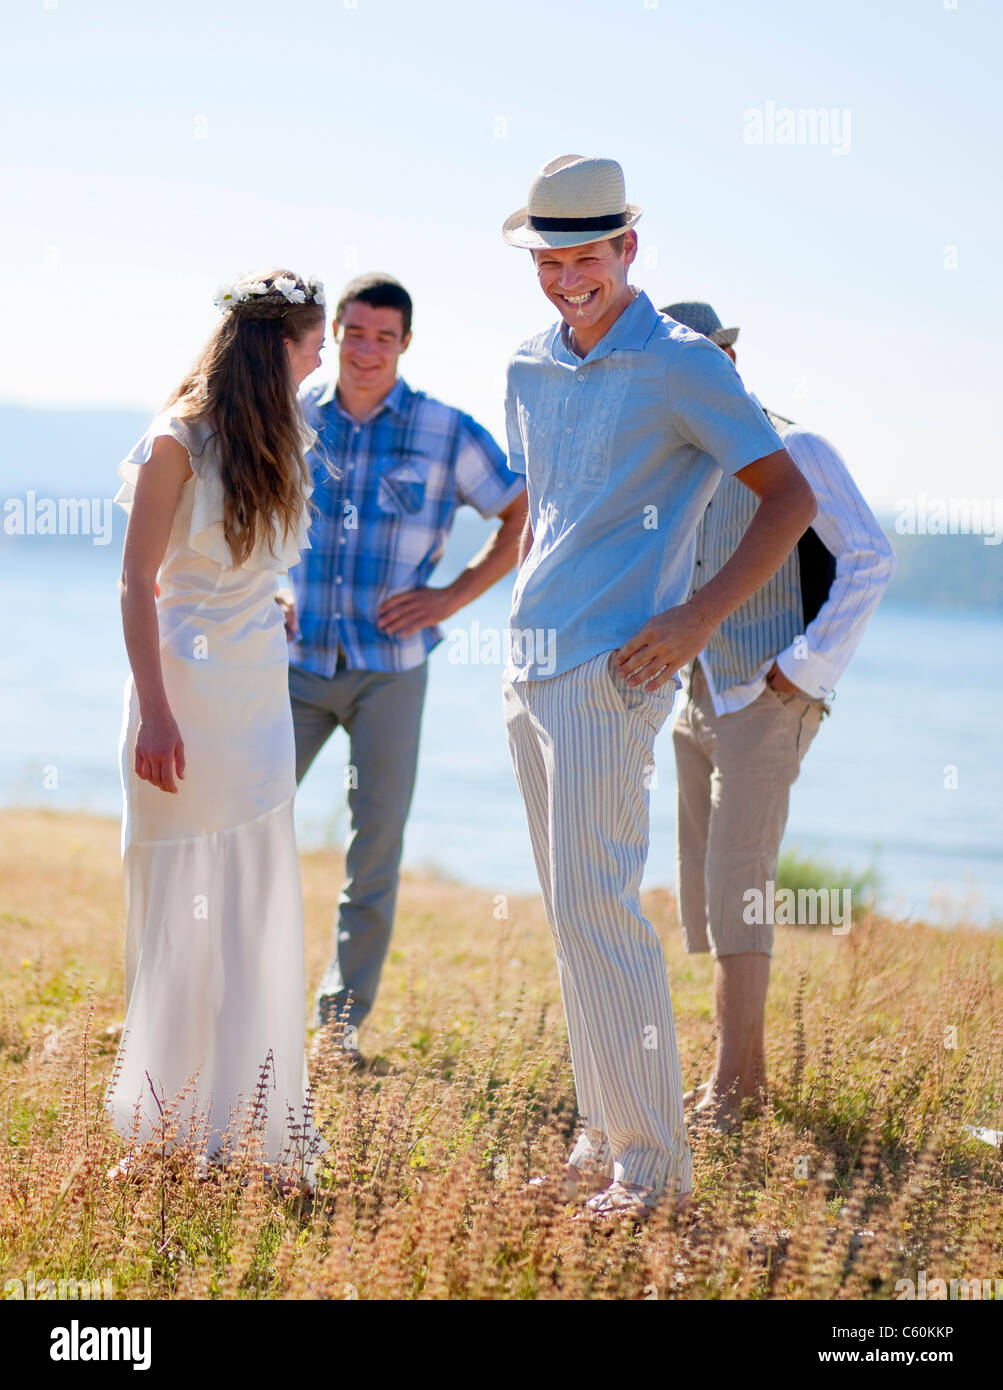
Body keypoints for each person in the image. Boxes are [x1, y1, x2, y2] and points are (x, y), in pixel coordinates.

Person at [500, 155, 818, 1220]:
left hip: (611, 669)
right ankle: (604, 1138)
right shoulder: (526, 364)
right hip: (525, 669)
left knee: (603, 914)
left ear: (627, 249)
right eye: (550, 260)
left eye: (586, 257)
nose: (567, 278)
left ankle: (653, 1168)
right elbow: (550, 516)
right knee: (571, 917)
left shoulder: (686, 364)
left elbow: (786, 495)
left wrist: (695, 617)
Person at [106, 269, 328, 1190]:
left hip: (256, 706)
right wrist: (154, 711)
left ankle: (245, 1134)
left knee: (250, 909)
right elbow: (137, 584)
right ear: (277, 345)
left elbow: (242, 564)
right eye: (313, 348)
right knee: (178, 909)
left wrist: (267, 601)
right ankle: (168, 1125)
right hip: (184, 702)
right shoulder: (176, 440)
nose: (318, 366)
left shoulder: (282, 436)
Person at [279, 273, 527, 1057]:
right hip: (291, 663)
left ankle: (338, 1028)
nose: (367, 350)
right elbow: (235, 509)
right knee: (239, 827)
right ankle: (222, 995)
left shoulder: (443, 430)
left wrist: (452, 595)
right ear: (335, 337)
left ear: (405, 345)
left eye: (385, 337)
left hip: (392, 668)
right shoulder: (290, 420)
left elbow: (522, 511)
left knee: (374, 847)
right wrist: (260, 590)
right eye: (353, 333)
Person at [662, 300, 894, 1129]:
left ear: (727, 356)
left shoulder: (795, 447)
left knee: (739, 890)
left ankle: (730, 1092)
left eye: (700, 357)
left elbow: (869, 556)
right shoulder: (679, 461)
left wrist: (799, 674)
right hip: (696, 696)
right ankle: (743, 1080)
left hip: (765, 699)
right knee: (708, 893)